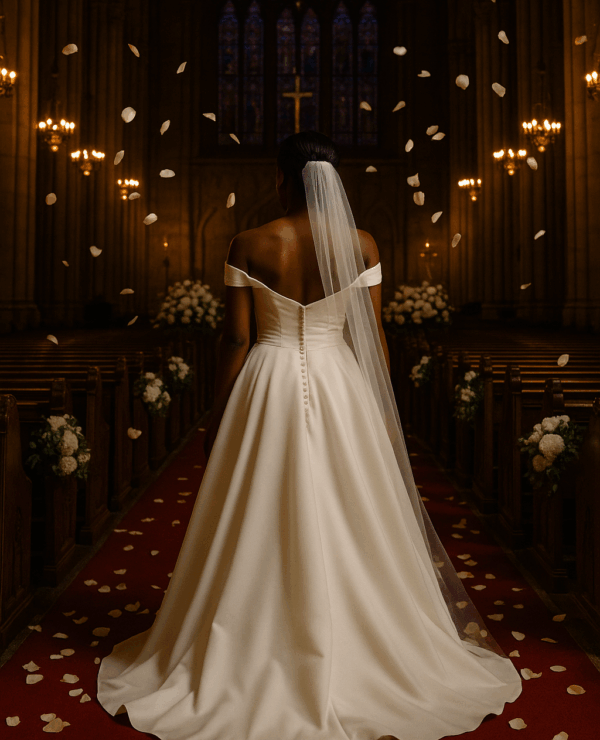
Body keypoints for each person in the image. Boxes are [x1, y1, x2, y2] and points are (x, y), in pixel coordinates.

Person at [97, 131, 522, 740]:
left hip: (265, 382)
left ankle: (255, 629)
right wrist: (378, 407)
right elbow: (371, 338)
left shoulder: (249, 241)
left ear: (281, 178)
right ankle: (361, 630)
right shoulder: (363, 242)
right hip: (338, 379)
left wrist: (215, 416)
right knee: (352, 505)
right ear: (333, 181)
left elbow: (237, 339)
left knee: (258, 507)